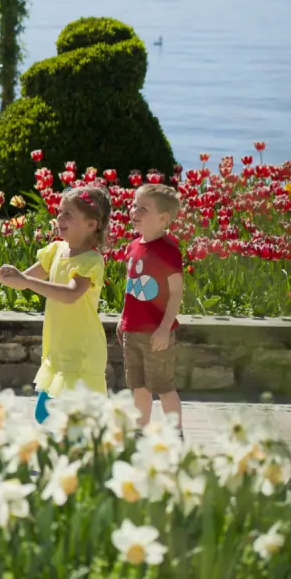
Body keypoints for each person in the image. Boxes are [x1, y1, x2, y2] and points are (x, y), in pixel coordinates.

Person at [0, 185, 111, 424]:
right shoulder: (55, 250)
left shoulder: (91, 260)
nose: (59, 218)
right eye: (59, 212)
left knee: (70, 419)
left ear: (91, 224)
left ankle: (85, 456)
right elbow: (20, 282)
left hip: (82, 351)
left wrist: (25, 281)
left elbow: (70, 295)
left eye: (68, 214)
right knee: (47, 415)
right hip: (57, 350)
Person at [119, 183, 185, 429]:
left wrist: (165, 328)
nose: (134, 211)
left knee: (164, 388)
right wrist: (122, 320)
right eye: (134, 205)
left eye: (143, 208)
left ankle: (174, 434)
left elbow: (176, 294)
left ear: (163, 218)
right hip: (132, 331)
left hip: (156, 334)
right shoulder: (134, 246)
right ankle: (140, 431)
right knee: (138, 387)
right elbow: (131, 289)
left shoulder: (168, 251)